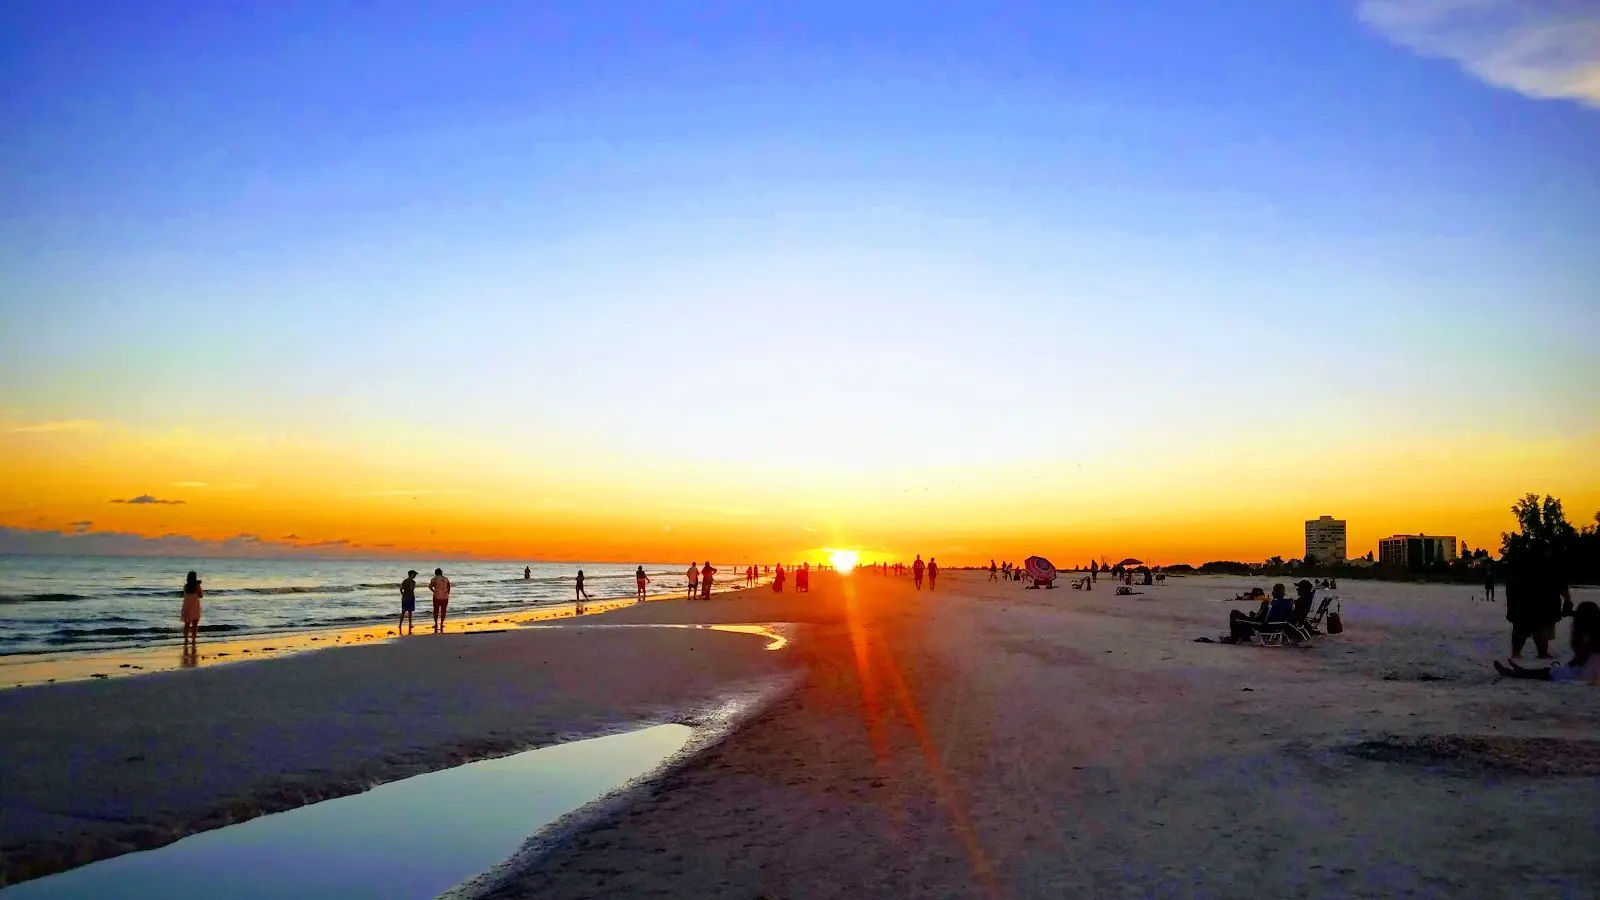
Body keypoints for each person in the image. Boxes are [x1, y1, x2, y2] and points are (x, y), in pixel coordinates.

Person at [1495, 602, 1599, 683]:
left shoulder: (1586, 637)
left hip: (1587, 674)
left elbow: (1580, 660)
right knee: (1551, 671)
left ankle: (1521, 673)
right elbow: (1578, 661)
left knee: (1552, 673)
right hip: (1588, 671)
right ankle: (1522, 672)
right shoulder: (1592, 635)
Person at [1505, 546, 1566, 660]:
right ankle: (1540, 653)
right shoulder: (1548, 565)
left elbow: (1511, 588)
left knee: (1523, 630)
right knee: (1539, 629)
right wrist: (1567, 600)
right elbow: (1561, 585)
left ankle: (1519, 653)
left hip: (1524, 607)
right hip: (1538, 606)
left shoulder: (1521, 566)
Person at [1222, 583, 1293, 644]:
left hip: (1264, 626)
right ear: (1283, 594)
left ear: (1273, 593)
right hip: (1279, 627)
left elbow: (1258, 618)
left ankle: (1234, 639)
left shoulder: (1268, 603)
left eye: (1273, 591)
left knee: (1234, 613)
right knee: (1245, 619)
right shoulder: (1288, 604)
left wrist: (1253, 615)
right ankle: (1244, 636)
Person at [181, 571, 203, 643]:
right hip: (195, 605)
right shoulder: (197, 586)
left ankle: (186, 639)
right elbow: (201, 595)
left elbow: (185, 594)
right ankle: (193, 639)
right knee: (195, 624)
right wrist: (198, 585)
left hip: (187, 605)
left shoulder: (185, 586)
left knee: (186, 624)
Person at [428, 568, 451, 632]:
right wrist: (448, 593)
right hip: (445, 596)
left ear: (436, 573)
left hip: (436, 596)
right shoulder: (446, 579)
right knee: (443, 611)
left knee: (436, 610)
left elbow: (430, 586)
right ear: (441, 573)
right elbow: (449, 586)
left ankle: (436, 624)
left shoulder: (434, 579)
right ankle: (441, 623)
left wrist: (434, 591)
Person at [399, 569, 418, 634]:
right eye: (414, 574)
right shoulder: (412, 582)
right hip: (410, 597)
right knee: (410, 612)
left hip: (404, 597)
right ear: (411, 574)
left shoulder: (404, 581)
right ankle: (410, 624)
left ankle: (400, 624)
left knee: (403, 611)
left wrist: (403, 594)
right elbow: (411, 589)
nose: (415, 575)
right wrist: (413, 586)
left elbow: (401, 589)